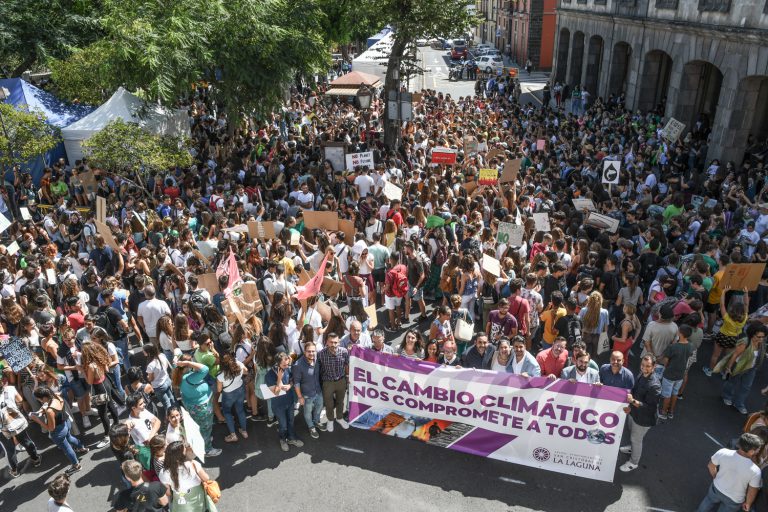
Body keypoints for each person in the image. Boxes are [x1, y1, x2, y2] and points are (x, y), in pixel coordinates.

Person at [695, 433, 763, 512]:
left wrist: (715, 476)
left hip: (717, 488)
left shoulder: (723, 452)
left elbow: (711, 466)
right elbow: (752, 490)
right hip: (734, 499)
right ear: (751, 451)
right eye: (758, 449)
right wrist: (748, 504)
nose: (758, 451)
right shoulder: (755, 471)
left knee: (708, 501)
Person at [30, 386, 89, 475]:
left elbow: (51, 428)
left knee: (67, 448)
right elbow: (51, 407)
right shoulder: (57, 397)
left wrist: (37, 420)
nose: (38, 400)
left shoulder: (50, 411)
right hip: (66, 423)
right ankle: (82, 448)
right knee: (70, 438)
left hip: (58, 432)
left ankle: (76, 466)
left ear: (44, 398)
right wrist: (42, 410)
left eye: (38, 398)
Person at [619, 355, 661, 472]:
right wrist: (630, 407)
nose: (644, 368)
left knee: (636, 440)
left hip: (644, 419)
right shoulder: (641, 375)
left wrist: (632, 401)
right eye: (643, 365)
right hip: (634, 413)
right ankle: (632, 448)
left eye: (648, 366)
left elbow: (649, 407)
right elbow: (634, 390)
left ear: (654, 367)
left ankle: (634, 462)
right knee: (632, 433)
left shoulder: (655, 386)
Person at [173, 356, 221, 457]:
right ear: (187, 365)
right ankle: (207, 450)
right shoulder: (190, 378)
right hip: (202, 409)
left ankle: (204, 439)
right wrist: (188, 363)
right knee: (206, 428)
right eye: (192, 362)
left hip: (193, 407)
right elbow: (205, 369)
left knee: (200, 426)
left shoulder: (179, 373)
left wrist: (181, 361)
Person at [716, 322, 767, 415]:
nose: (761, 339)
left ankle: (739, 403)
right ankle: (726, 396)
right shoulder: (745, 342)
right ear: (752, 334)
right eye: (759, 337)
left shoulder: (761, 343)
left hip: (751, 368)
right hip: (739, 366)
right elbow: (735, 355)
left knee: (746, 387)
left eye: (763, 337)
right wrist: (729, 367)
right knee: (732, 382)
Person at [159, 441, 218, 512]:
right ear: (181, 454)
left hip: (180, 499)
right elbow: (206, 478)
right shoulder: (193, 464)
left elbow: (168, 493)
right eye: (185, 449)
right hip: (197, 496)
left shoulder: (163, 472)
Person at [0, 379, 41, 477]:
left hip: (2, 428)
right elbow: (20, 400)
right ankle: (35, 459)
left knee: (9, 449)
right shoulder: (10, 389)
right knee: (26, 441)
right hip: (16, 421)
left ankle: (14, 471)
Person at [266, 352, 304, 451]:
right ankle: (282, 440)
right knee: (283, 424)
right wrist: (279, 378)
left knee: (291, 421)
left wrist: (290, 385)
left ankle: (291, 438)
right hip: (278, 405)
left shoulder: (287, 368)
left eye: (287, 364)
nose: (287, 366)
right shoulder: (270, 375)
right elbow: (276, 392)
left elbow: (292, 380)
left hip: (289, 401)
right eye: (284, 365)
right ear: (277, 363)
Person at [658, 324, 695, 420]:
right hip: (680, 375)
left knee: (667, 395)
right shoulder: (691, 346)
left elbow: (666, 361)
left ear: (680, 334)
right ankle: (671, 412)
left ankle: (663, 412)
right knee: (675, 393)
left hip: (669, 374)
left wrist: (665, 366)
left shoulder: (673, 347)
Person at [318, 332, 349, 432]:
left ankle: (339, 418)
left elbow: (346, 365)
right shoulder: (321, 354)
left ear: (339, 342)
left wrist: (347, 377)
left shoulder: (344, 352)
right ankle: (330, 420)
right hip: (328, 382)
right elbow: (319, 368)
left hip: (341, 381)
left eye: (335, 342)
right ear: (327, 342)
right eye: (331, 342)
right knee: (329, 404)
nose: (333, 345)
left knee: (340, 402)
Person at [293, 340, 325, 438]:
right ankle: (311, 427)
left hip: (318, 391)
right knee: (307, 412)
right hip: (307, 395)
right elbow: (296, 383)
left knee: (319, 407)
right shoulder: (298, 365)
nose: (311, 353)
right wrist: (300, 397)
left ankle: (316, 421)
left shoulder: (317, 360)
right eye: (309, 351)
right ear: (304, 352)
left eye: (313, 351)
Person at [216, 351, 249, 443]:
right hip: (240, 390)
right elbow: (246, 371)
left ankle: (233, 435)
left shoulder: (220, 375)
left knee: (227, 412)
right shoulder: (239, 364)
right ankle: (244, 431)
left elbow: (219, 389)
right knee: (240, 410)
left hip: (228, 394)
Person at [143, 343, 175, 417]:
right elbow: (166, 367)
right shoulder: (162, 355)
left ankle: (171, 417)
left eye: (144, 351)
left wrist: (148, 377)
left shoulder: (150, 365)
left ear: (148, 352)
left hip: (159, 386)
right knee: (172, 398)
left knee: (166, 403)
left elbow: (151, 378)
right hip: (167, 380)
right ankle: (177, 412)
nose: (143, 352)